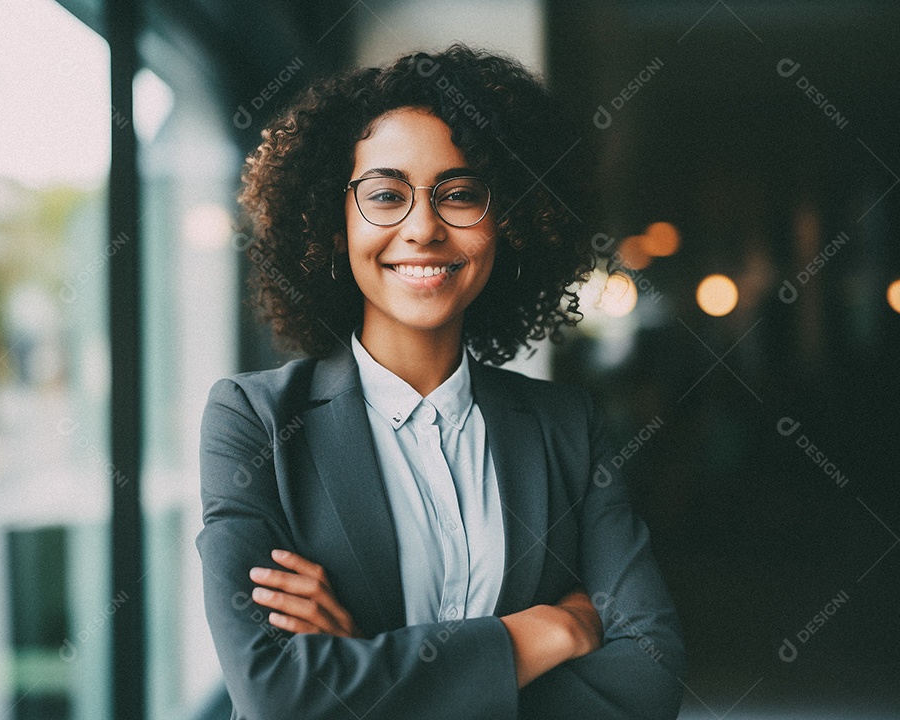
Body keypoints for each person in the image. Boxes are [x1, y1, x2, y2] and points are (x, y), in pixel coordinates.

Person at [197, 44, 685, 720]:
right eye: (386, 195)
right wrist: (550, 630)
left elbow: (650, 683)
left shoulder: (567, 427)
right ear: (333, 223)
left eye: (458, 194)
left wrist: (365, 661)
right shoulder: (254, 421)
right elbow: (275, 692)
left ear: (505, 220)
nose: (422, 227)